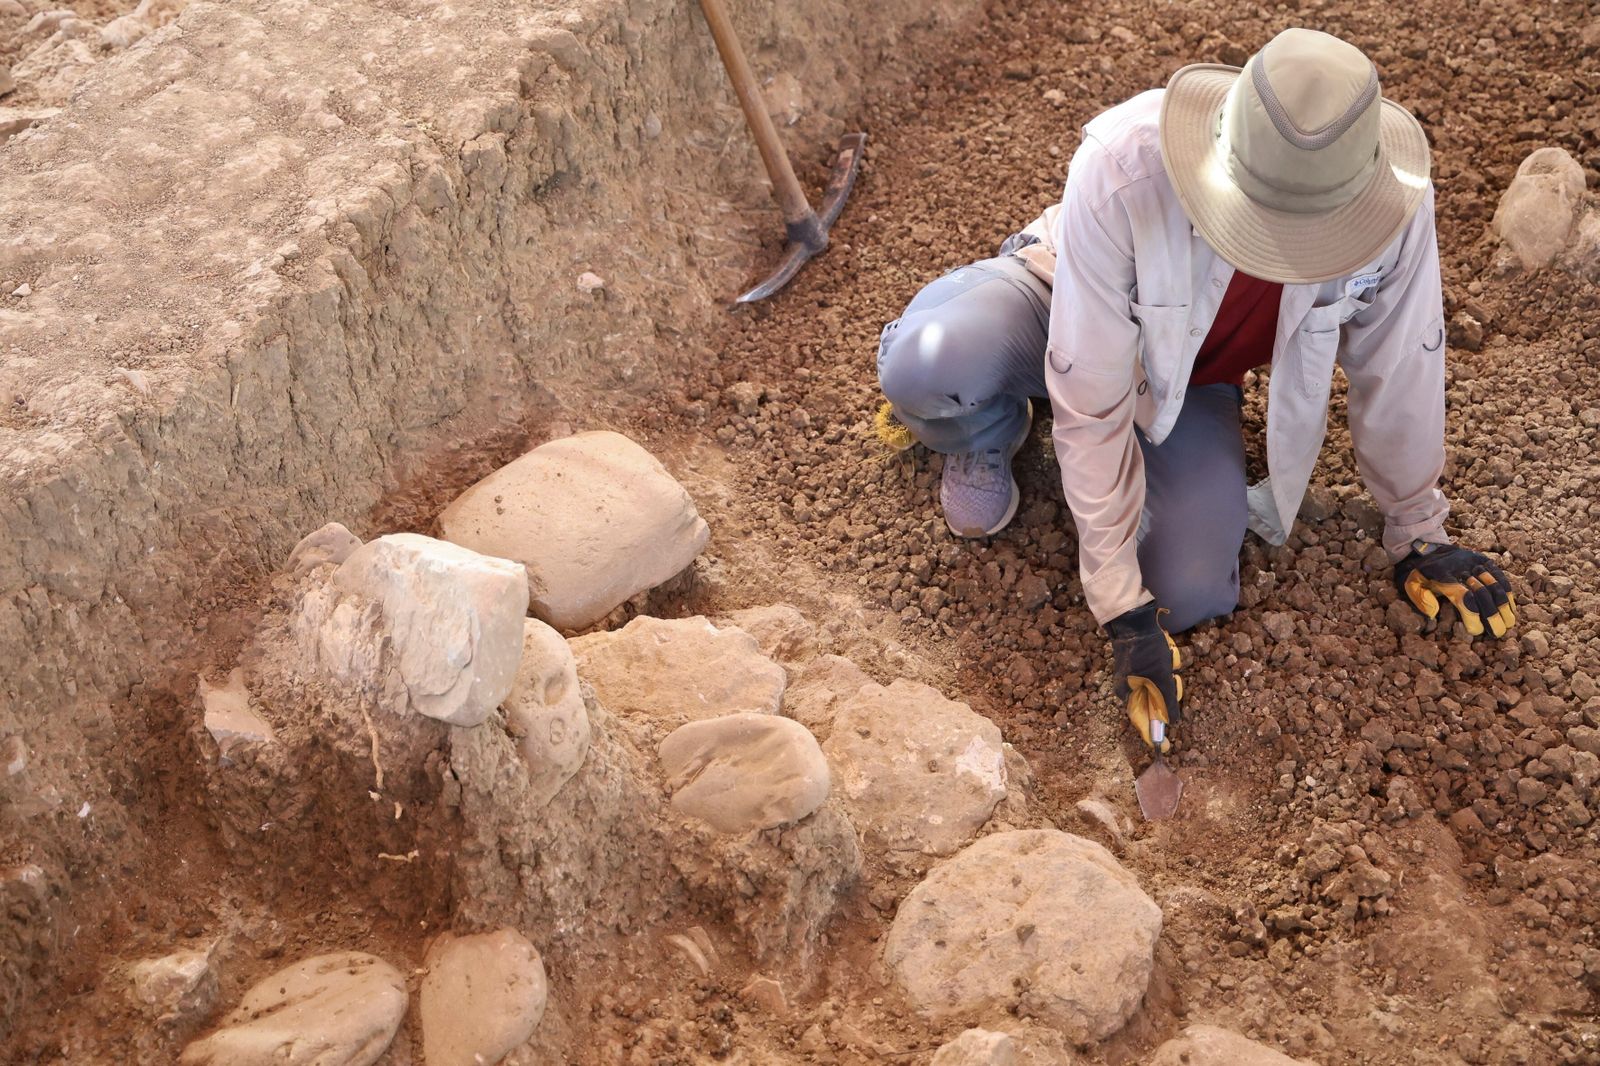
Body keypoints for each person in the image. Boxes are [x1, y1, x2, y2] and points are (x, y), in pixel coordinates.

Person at [875, 28, 1517, 750]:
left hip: (1184, 380)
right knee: (929, 367)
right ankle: (985, 429)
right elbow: (1090, 398)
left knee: (1188, 591)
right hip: (1059, 305)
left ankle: (1078, 437)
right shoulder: (1124, 167)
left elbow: (1402, 362)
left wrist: (1419, 530)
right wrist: (1118, 606)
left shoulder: (1393, 205)